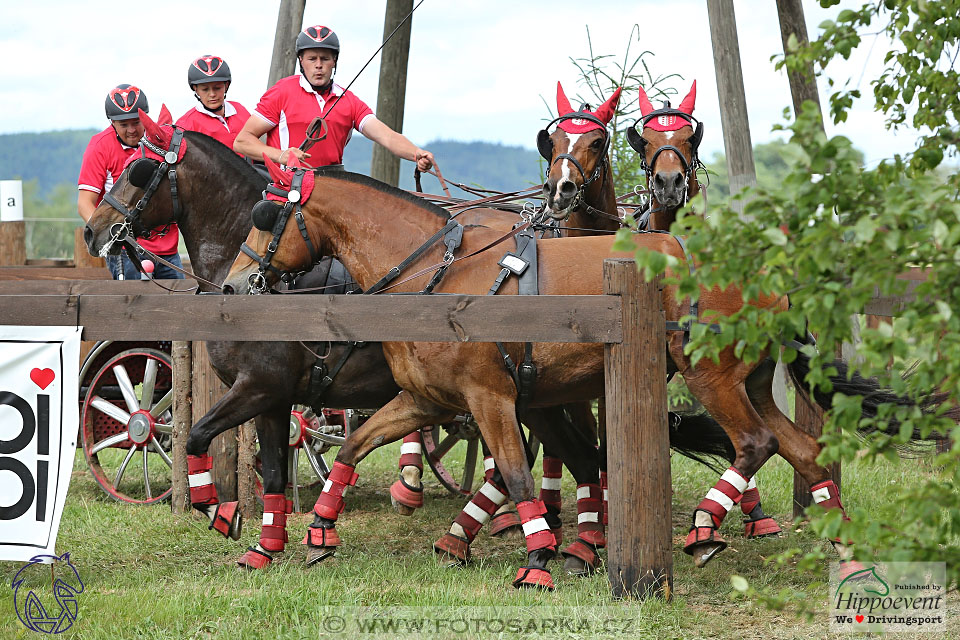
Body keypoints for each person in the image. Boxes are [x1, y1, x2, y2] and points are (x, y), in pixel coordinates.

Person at [233, 25, 434, 171]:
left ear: (334, 61)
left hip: (332, 189)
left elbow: (387, 136)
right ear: (301, 61)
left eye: (325, 58)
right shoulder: (282, 91)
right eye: (312, 59)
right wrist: (281, 155)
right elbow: (242, 141)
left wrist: (416, 153)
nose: (318, 65)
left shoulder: (349, 100)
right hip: (285, 188)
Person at [78, 84, 184, 280]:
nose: (132, 130)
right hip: (127, 251)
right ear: (112, 123)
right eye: (124, 125)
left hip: (167, 248)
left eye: (136, 122)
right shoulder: (99, 147)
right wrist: (110, 237)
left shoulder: (159, 143)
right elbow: (84, 203)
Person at [175, 55, 250, 151]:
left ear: (226, 86)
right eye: (205, 89)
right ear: (196, 89)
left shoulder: (240, 110)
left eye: (217, 88)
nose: (212, 94)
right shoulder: (185, 125)